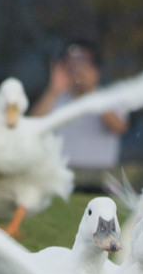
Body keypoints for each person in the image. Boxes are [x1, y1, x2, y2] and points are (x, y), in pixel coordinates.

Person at [29, 40, 128, 174]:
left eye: (83, 64)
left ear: (96, 70)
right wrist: (53, 90)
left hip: (98, 180)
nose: (77, 70)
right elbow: (31, 129)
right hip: (60, 178)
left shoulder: (109, 98)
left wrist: (91, 91)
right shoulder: (56, 99)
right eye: (71, 64)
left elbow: (118, 127)